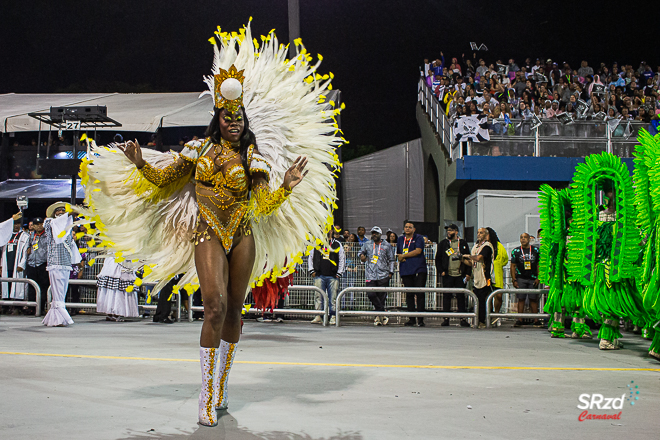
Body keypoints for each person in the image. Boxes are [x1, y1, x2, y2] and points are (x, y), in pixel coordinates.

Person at [82, 23, 341, 427]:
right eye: (226, 116)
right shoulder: (197, 150)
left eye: (238, 117)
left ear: (244, 120)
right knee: (214, 307)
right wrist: (139, 163)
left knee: (235, 313)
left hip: (243, 235)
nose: (233, 121)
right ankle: (204, 396)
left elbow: (264, 202)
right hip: (206, 232)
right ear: (217, 118)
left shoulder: (253, 158)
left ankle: (220, 387)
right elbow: (166, 180)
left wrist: (287, 186)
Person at [40, 202, 82, 327]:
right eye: (58, 210)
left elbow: (72, 246)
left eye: (63, 211)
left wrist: (77, 261)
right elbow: (57, 224)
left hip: (65, 263)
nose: (61, 212)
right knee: (57, 291)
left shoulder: (67, 229)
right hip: (55, 262)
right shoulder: (50, 223)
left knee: (61, 292)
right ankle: (61, 316)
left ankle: (55, 318)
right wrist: (70, 213)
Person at [436, 224, 471, 327]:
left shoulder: (463, 243)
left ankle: (463, 318)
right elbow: (438, 258)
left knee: (461, 296)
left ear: (456, 231)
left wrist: (468, 273)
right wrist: (441, 270)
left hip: (460, 274)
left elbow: (469, 259)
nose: (448, 232)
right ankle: (446, 318)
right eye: (448, 230)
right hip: (448, 274)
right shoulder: (443, 244)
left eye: (451, 230)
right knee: (447, 296)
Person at [308, 230, 345, 325]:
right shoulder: (316, 244)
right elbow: (310, 257)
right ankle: (318, 315)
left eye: (328, 229)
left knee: (333, 297)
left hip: (333, 276)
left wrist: (339, 273)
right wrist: (312, 270)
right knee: (318, 296)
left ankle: (333, 316)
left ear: (332, 231)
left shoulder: (337, 244)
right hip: (319, 275)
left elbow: (342, 258)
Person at [360, 226, 395, 326]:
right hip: (370, 274)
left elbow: (392, 260)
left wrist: (391, 272)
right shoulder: (367, 244)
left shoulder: (387, 245)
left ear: (380, 234)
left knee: (381, 297)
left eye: (376, 233)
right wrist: (361, 256)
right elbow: (361, 253)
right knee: (371, 294)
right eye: (372, 233)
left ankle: (378, 317)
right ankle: (382, 312)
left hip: (383, 274)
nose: (374, 235)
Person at [396, 221, 428, 327]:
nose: (408, 229)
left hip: (419, 269)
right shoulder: (400, 239)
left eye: (410, 227)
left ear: (414, 229)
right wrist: (401, 257)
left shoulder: (418, 238)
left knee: (419, 293)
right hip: (406, 270)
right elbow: (399, 254)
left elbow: (418, 251)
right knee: (409, 294)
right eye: (406, 227)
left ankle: (421, 319)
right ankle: (411, 319)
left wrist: (404, 256)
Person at [463, 227, 495, 328]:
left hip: (485, 277)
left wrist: (467, 256)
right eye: (478, 232)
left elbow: (478, 258)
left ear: (486, 235)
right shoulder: (475, 246)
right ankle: (477, 319)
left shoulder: (487, 246)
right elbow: (471, 262)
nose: (479, 234)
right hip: (476, 277)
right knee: (476, 300)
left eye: (481, 233)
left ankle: (482, 320)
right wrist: (461, 258)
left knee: (482, 300)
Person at [511, 233, 541, 327]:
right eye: (521, 238)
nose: (523, 239)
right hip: (521, 278)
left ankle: (536, 320)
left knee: (533, 299)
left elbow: (538, 264)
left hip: (532, 278)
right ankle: (519, 319)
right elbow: (513, 266)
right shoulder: (516, 251)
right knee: (521, 298)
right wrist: (514, 279)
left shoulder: (535, 250)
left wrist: (538, 277)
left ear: (529, 239)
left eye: (525, 237)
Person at [1, 213, 30, 310]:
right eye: (14, 223)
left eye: (18, 224)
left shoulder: (24, 236)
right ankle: (5, 307)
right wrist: (1, 265)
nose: (16, 226)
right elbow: (2, 252)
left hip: (17, 264)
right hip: (7, 263)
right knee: (6, 284)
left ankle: (17, 307)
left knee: (17, 286)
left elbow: (26, 252)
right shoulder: (6, 235)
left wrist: (22, 264)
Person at [96, 256, 138, 322]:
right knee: (114, 288)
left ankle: (115, 313)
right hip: (115, 262)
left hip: (120, 261)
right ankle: (112, 313)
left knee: (117, 288)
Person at [24, 217, 49, 316]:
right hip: (31, 263)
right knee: (31, 287)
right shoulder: (29, 236)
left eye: (40, 224)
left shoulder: (47, 235)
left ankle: (41, 307)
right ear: (33, 226)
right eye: (37, 224)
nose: (39, 226)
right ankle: (31, 308)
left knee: (43, 286)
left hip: (42, 263)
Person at [490, 228, 508, 326]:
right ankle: (488, 313)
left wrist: (498, 264)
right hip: (486, 275)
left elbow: (505, 258)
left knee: (498, 295)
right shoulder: (481, 245)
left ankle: (496, 314)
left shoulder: (499, 246)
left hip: (497, 275)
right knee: (486, 295)